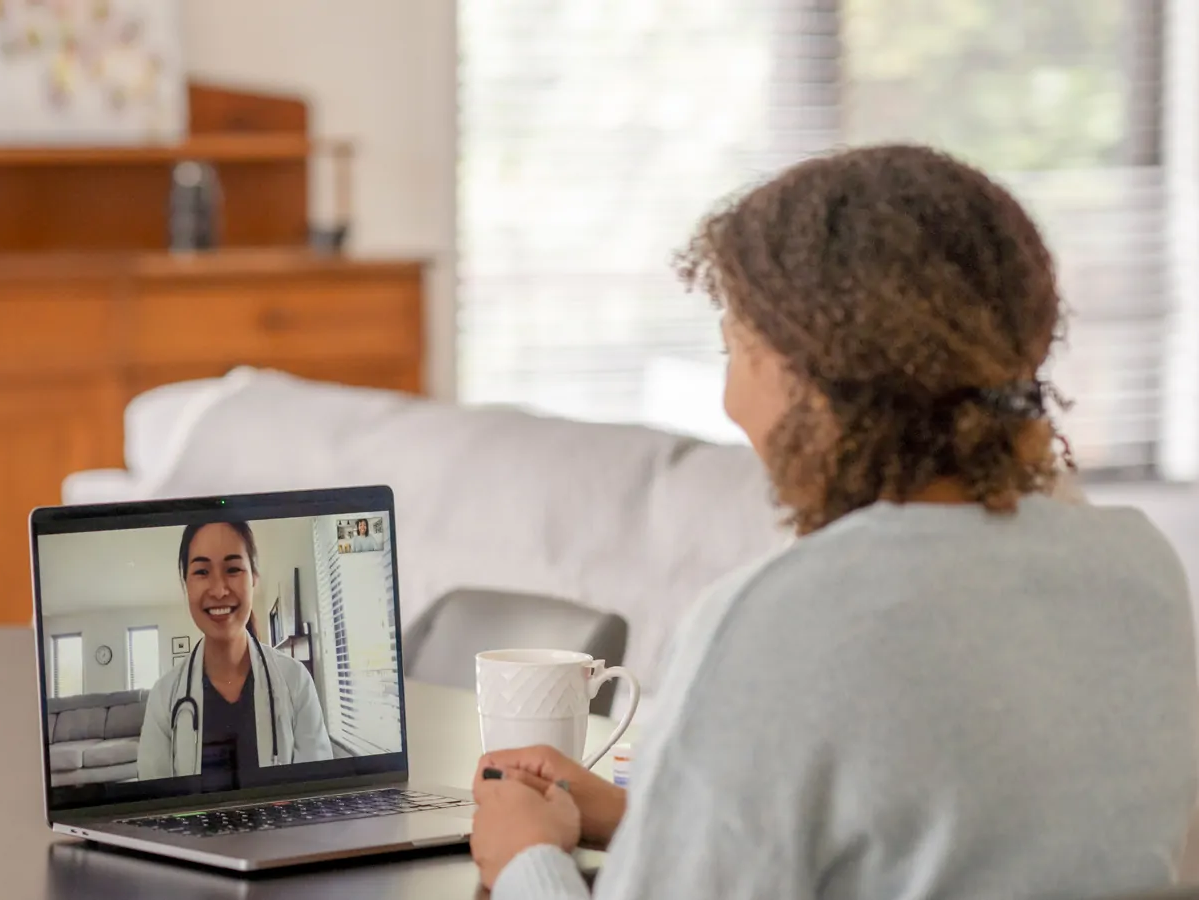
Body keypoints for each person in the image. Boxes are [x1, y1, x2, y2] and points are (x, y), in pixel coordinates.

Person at [469, 145, 1198, 899]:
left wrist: (525, 856)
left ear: (806, 381)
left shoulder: (780, 617)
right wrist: (653, 819)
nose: (730, 400)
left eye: (735, 349)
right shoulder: (1139, 570)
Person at [138, 519, 333, 781]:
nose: (219, 590)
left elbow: (317, 791)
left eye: (233, 569)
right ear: (186, 585)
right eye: (202, 572)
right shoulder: (164, 697)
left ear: (254, 579)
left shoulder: (296, 682)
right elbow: (155, 799)